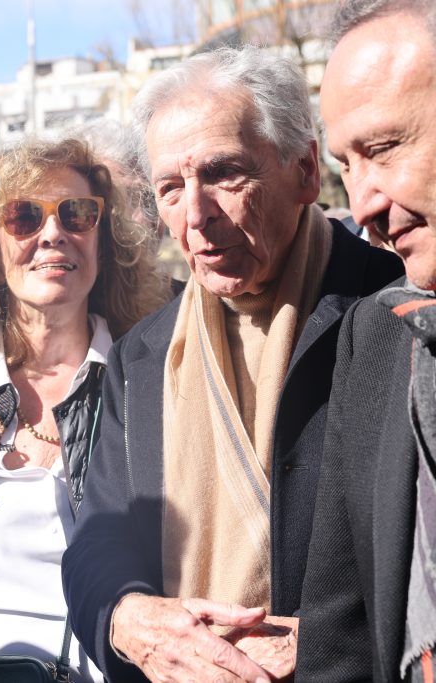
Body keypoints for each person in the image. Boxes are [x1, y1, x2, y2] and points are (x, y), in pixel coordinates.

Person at [61, 45, 404, 682]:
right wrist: (127, 618)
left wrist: (325, 648)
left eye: (223, 174)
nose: (195, 215)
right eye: (170, 188)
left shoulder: (394, 311)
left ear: (306, 171)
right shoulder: (141, 357)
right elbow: (95, 544)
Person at [0, 136, 171, 682]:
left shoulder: (155, 379)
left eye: (76, 214)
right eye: (24, 217)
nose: (53, 233)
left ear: (103, 241)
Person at [297, 1, 436, 680]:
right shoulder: (374, 334)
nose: (363, 205)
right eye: (346, 166)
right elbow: (339, 634)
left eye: (383, 149)